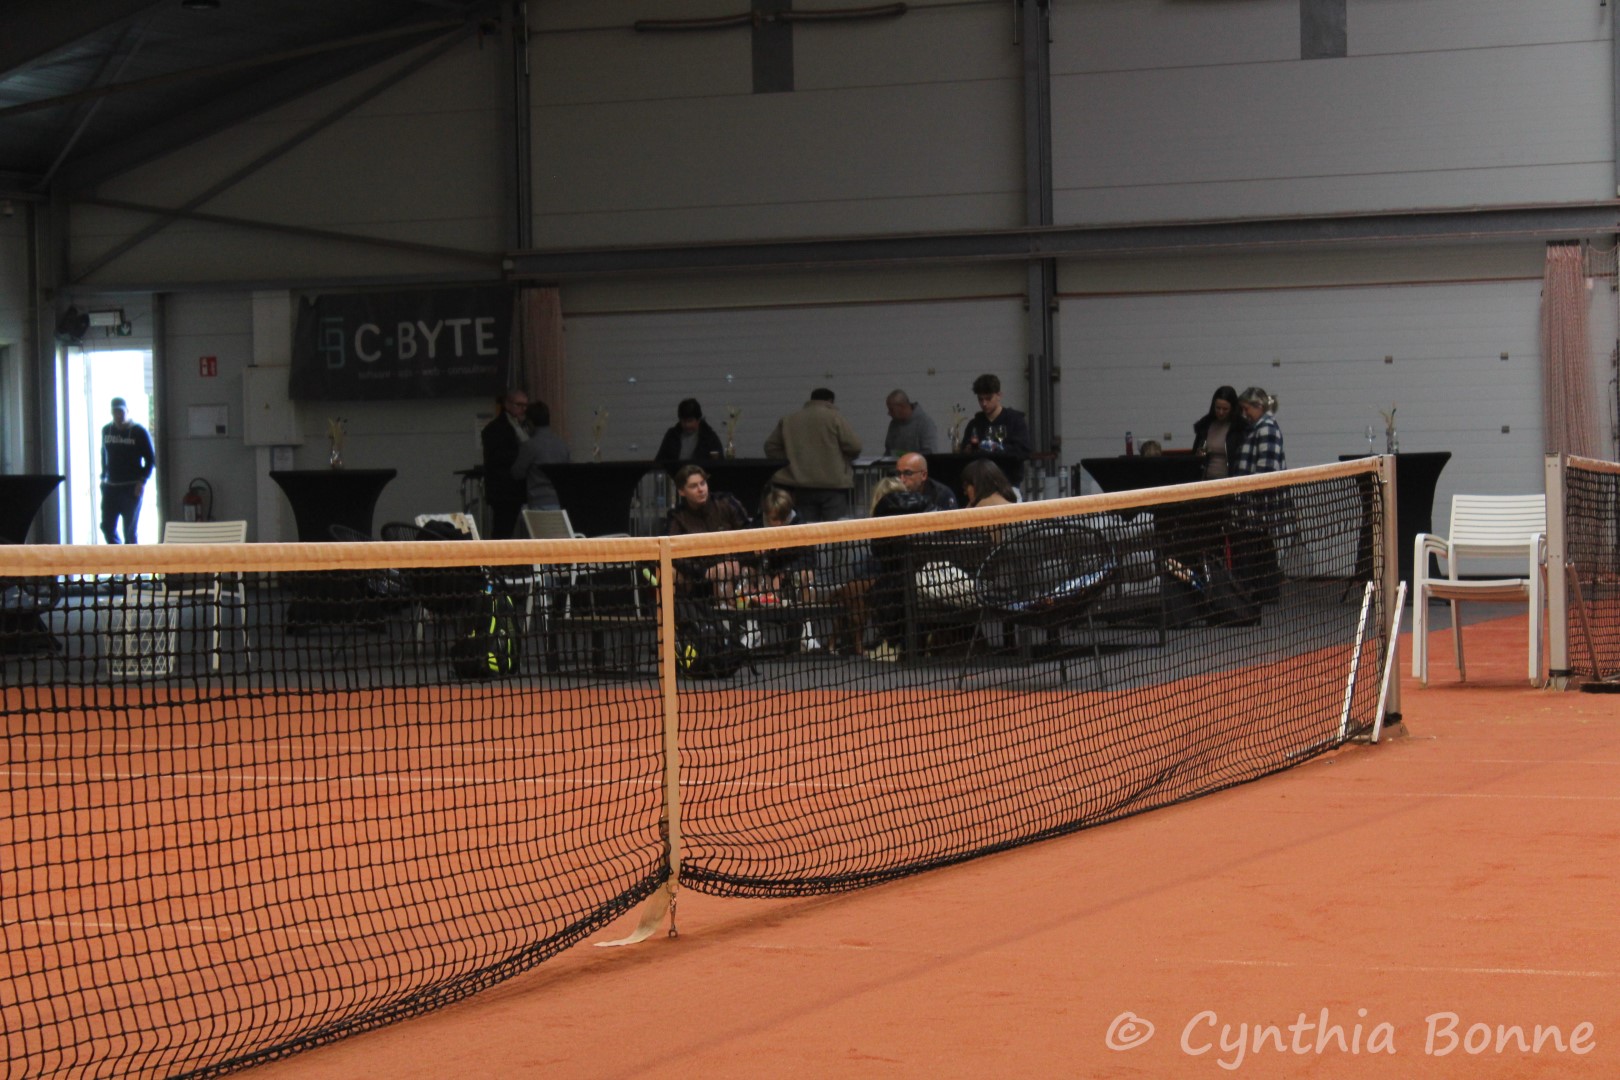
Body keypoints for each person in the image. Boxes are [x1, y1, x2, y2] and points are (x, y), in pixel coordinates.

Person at [763, 388, 862, 523]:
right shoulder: (835, 418)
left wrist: (789, 461)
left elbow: (770, 446)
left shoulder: (789, 419)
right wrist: (843, 459)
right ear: (830, 401)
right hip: (833, 485)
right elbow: (855, 446)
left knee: (806, 529)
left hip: (800, 485)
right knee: (834, 529)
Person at [666, 463, 749, 599]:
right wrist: (703, 572)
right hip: (696, 573)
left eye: (703, 483)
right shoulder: (677, 516)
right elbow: (672, 553)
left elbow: (749, 532)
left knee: (724, 570)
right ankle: (679, 611)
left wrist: (739, 560)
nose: (701, 489)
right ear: (682, 492)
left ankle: (726, 609)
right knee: (668, 571)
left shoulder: (726, 502)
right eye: (693, 486)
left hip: (732, 565)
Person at [100, 396, 155, 545]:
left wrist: (142, 481)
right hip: (111, 487)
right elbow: (104, 454)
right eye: (115, 412)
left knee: (129, 531)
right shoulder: (107, 430)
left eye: (121, 412)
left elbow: (151, 459)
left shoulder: (138, 432)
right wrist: (103, 477)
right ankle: (118, 554)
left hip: (131, 488)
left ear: (127, 411)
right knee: (107, 526)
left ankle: (131, 558)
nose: (118, 416)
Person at [959, 373, 1032, 486]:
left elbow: (1024, 451)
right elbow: (964, 453)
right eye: (980, 399)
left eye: (988, 398)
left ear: (999, 395)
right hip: (981, 484)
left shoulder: (1014, 420)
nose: (984, 403)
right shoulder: (974, 424)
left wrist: (997, 449)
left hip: (1009, 482)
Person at [480, 387, 530, 540]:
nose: (523, 409)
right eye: (519, 405)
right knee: (503, 530)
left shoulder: (525, 426)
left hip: (518, 488)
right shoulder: (495, 429)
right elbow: (497, 458)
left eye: (525, 405)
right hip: (505, 490)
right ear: (507, 404)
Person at [509, 400, 571, 516]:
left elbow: (516, 473)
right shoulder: (562, 445)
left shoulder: (530, 446)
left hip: (538, 502)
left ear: (530, 423)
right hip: (559, 502)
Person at [1191, 386, 1246, 480]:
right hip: (1205, 479)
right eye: (1218, 408)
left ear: (1233, 408)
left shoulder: (1240, 427)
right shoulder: (1205, 425)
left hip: (1230, 480)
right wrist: (1199, 455)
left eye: (1225, 409)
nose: (1221, 412)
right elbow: (1194, 452)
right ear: (1213, 407)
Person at [1234, 387, 1286, 475]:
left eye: (1246, 409)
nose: (1243, 414)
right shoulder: (1254, 429)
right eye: (1241, 410)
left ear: (1259, 406)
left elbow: (1267, 470)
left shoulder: (1268, 429)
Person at [655, 398, 724, 463]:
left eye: (690, 421)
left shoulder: (710, 438)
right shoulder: (671, 436)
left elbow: (719, 462)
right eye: (683, 421)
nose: (687, 425)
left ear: (698, 420)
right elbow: (659, 461)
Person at [882, 390, 939, 456]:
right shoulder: (894, 424)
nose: (889, 413)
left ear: (902, 407)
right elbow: (888, 452)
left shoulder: (925, 423)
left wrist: (906, 457)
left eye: (891, 409)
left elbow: (929, 453)